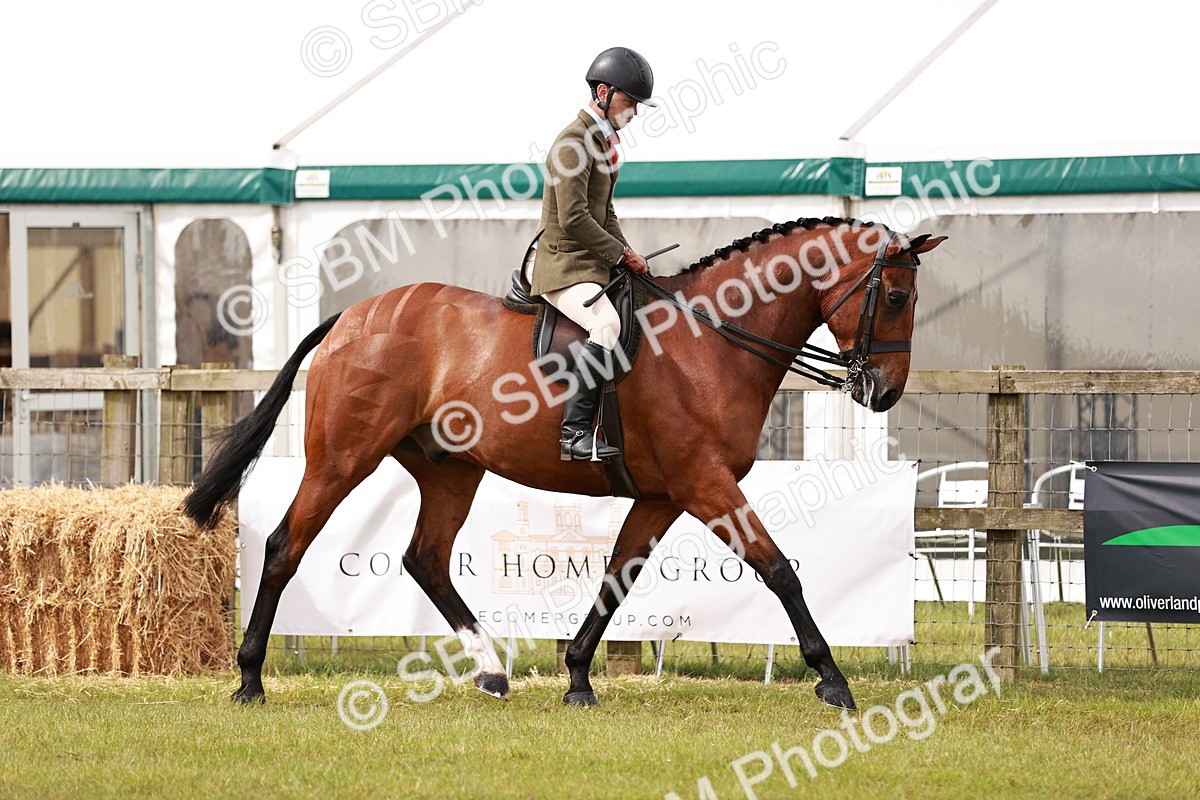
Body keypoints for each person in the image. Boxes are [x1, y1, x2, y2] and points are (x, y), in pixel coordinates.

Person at [526, 46, 656, 462]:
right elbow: (576, 218)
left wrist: (629, 253)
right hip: (562, 265)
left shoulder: (599, 143)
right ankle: (575, 433)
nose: (633, 112)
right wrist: (619, 254)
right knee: (606, 325)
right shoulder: (572, 143)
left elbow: (605, 211)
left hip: (589, 262)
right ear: (603, 92)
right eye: (629, 101)